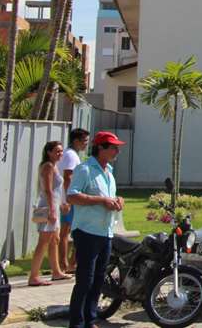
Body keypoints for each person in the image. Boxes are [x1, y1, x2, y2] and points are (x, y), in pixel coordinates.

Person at [66, 131, 125, 328]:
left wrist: (118, 201)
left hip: (105, 232)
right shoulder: (85, 169)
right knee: (85, 281)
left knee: (99, 281)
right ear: (100, 148)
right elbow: (72, 196)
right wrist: (101, 201)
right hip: (87, 232)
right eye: (113, 147)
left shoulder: (109, 172)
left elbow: (111, 196)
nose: (117, 151)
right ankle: (77, 322)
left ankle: (91, 319)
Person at [28, 141, 71, 286]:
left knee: (55, 240)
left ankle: (56, 271)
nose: (60, 154)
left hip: (53, 207)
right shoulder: (47, 167)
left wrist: (62, 204)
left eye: (61, 151)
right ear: (49, 152)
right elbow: (48, 190)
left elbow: (58, 191)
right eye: (57, 151)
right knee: (44, 241)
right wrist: (52, 210)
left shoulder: (54, 167)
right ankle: (33, 276)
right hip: (47, 207)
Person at [58, 128, 89, 274]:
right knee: (68, 232)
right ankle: (66, 264)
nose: (86, 144)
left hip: (68, 199)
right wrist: (69, 199)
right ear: (76, 141)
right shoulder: (71, 155)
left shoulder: (71, 154)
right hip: (70, 201)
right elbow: (68, 177)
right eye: (84, 141)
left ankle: (68, 263)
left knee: (67, 231)